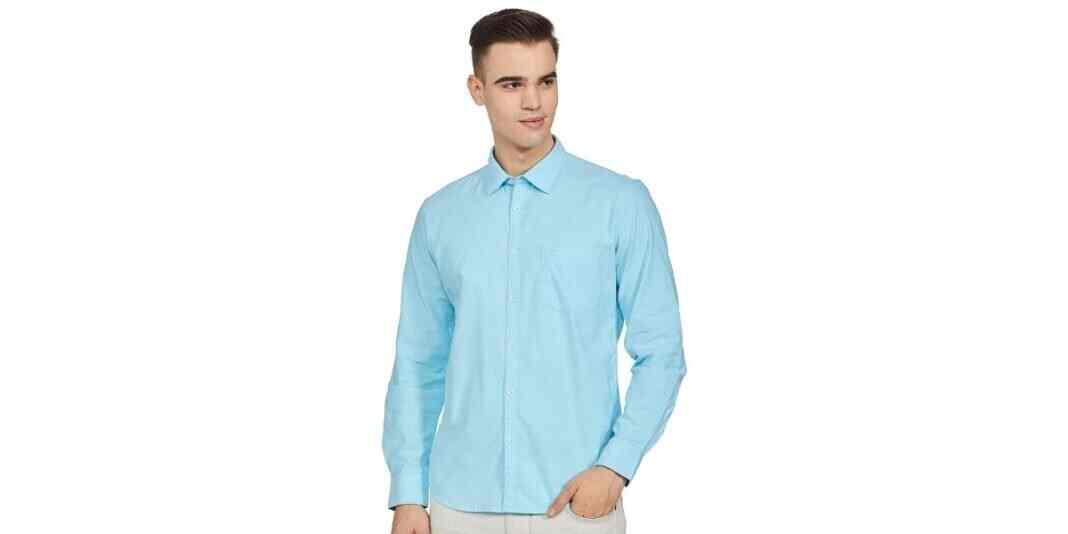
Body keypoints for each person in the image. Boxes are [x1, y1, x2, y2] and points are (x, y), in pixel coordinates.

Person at [383, 8, 687, 534]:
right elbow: (418, 361)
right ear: (477, 90)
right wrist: (408, 493)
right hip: (460, 507)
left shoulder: (620, 204)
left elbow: (662, 351)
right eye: (512, 84)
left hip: (574, 505)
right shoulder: (440, 216)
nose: (534, 101)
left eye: (546, 81)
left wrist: (616, 466)